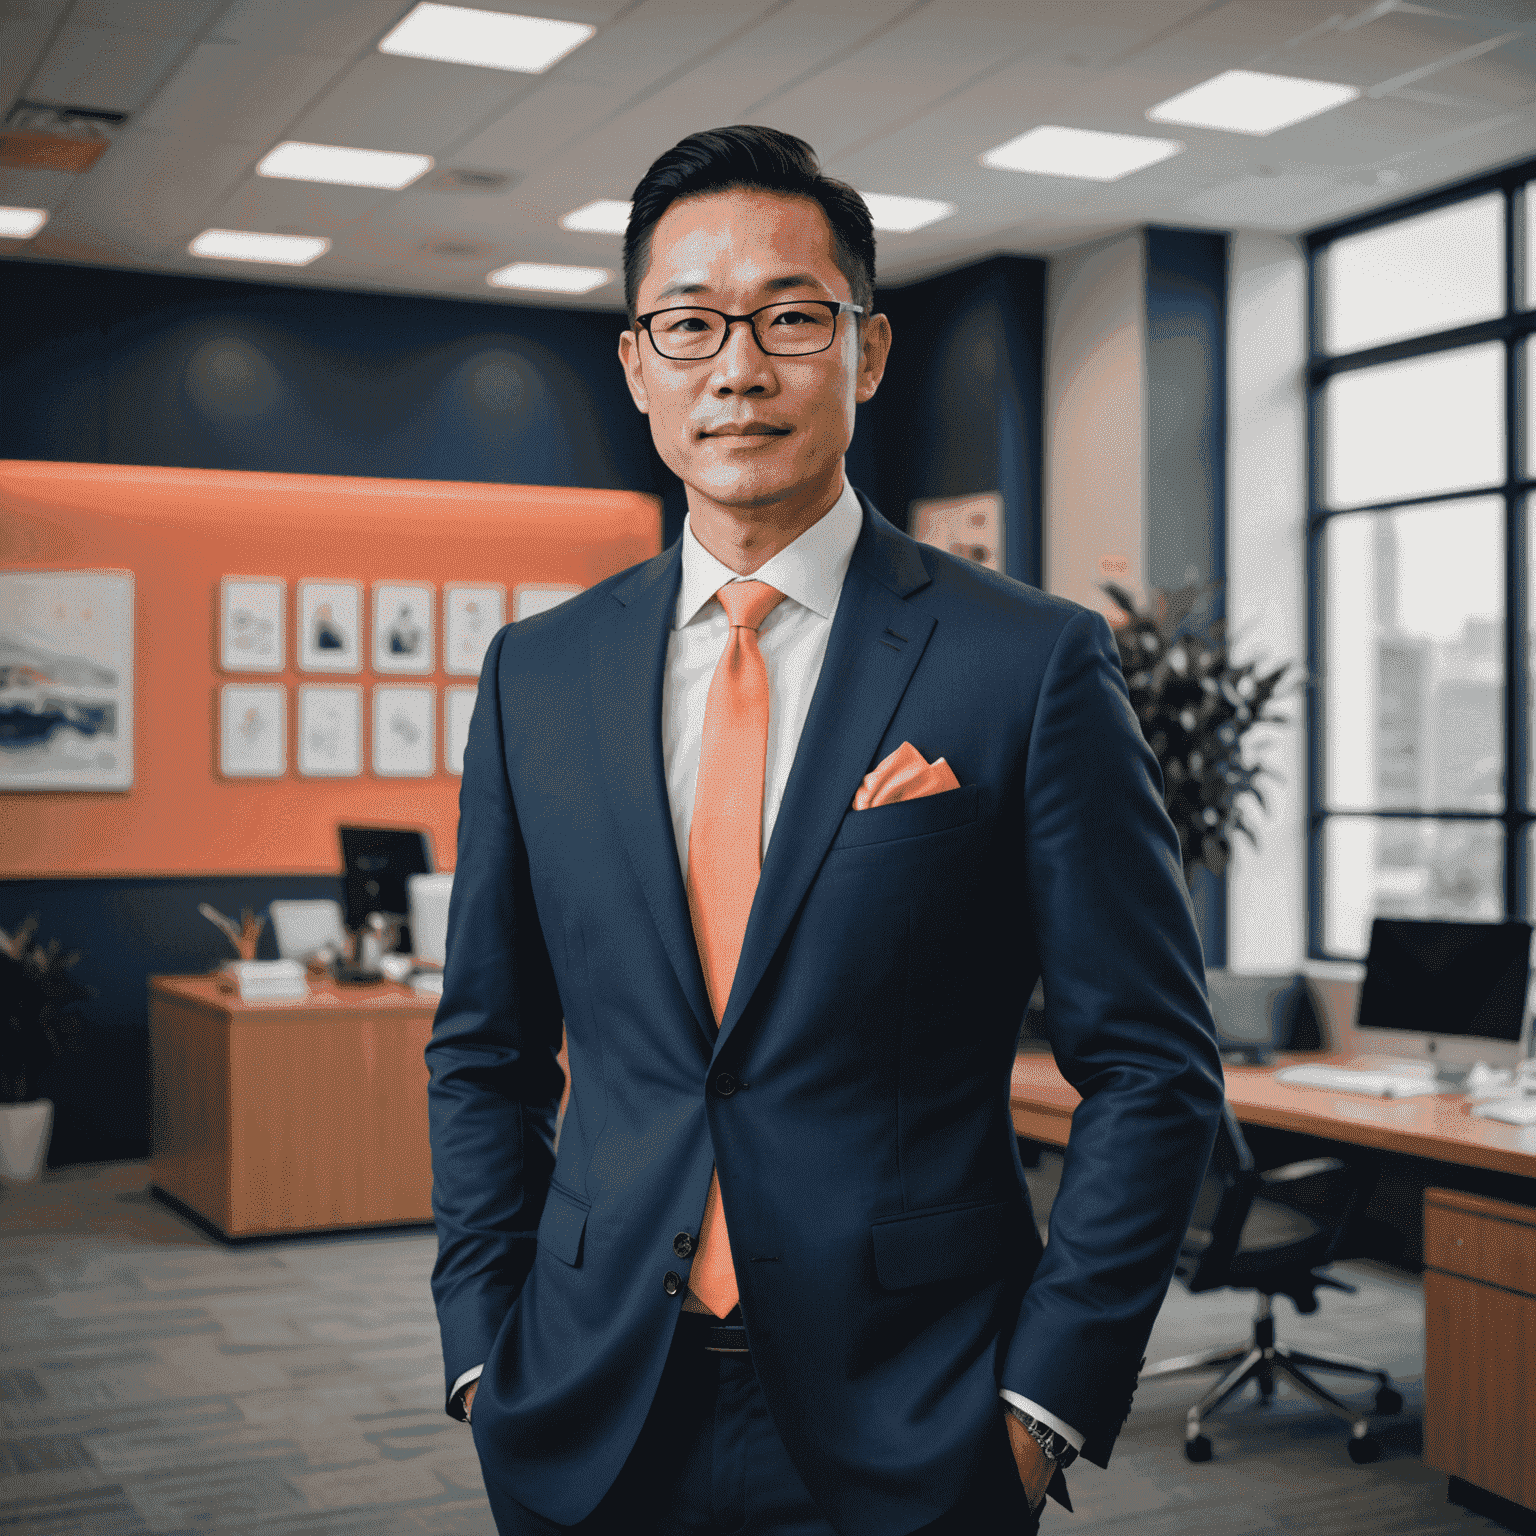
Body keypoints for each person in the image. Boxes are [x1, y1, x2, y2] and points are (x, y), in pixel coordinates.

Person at [426, 124, 1224, 1536]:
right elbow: (484, 1052)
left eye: (792, 316)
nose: (738, 367)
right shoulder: (533, 680)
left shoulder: (1025, 664)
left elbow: (1152, 1066)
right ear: (637, 367)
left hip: (918, 1418)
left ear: (865, 350)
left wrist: (1043, 1405)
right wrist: (487, 1351)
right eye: (689, 324)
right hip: (589, 1402)